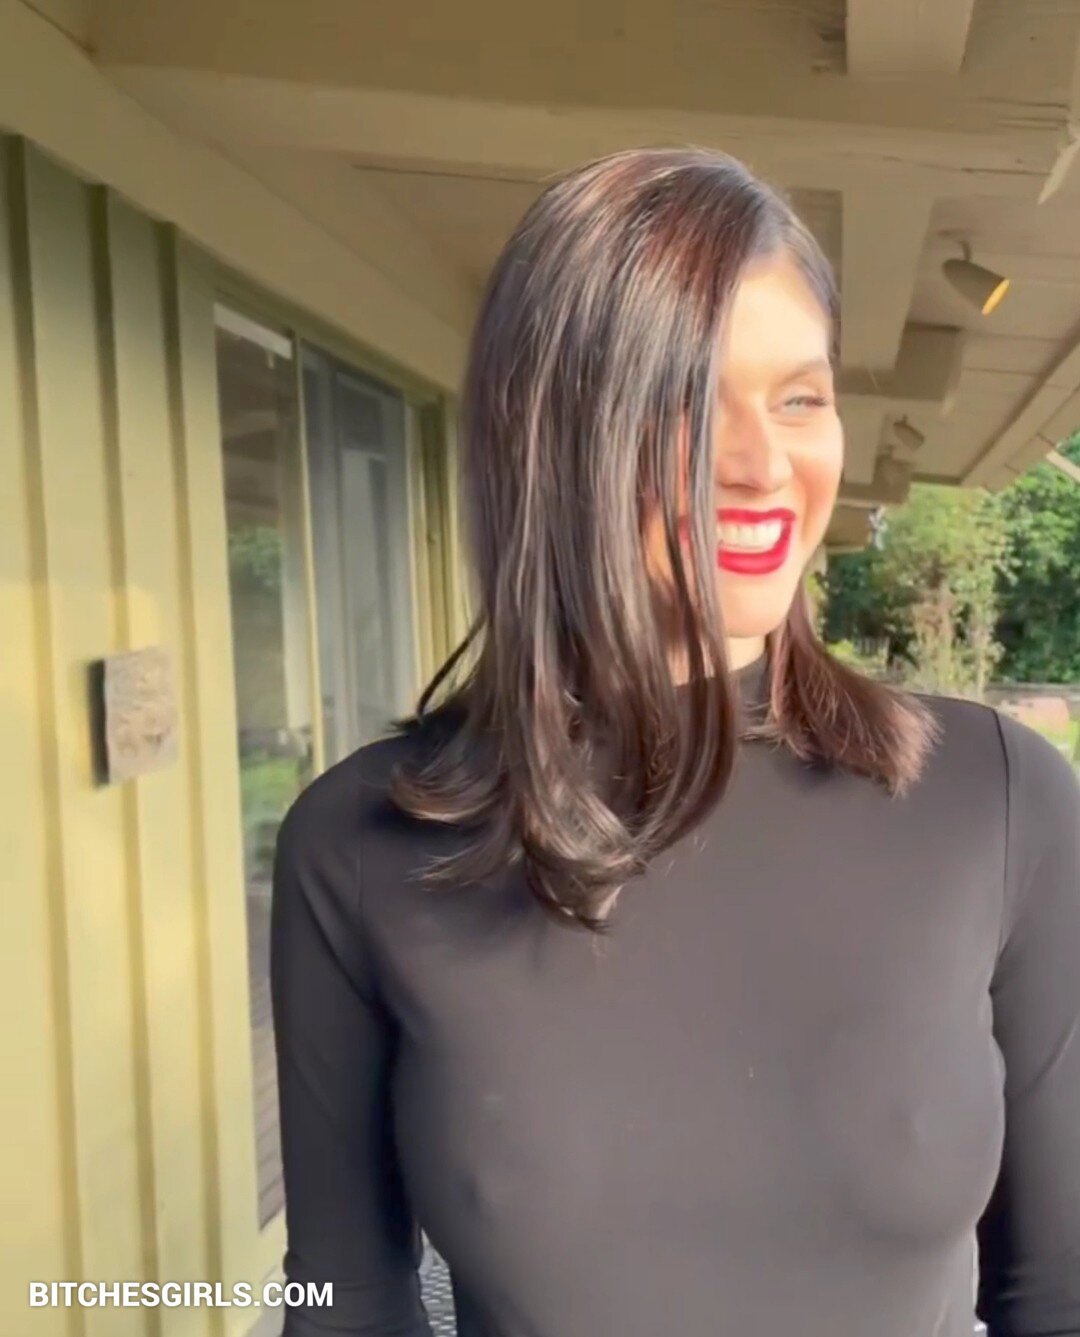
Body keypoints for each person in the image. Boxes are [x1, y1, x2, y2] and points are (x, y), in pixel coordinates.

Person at [269, 146, 1080, 1337]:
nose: (760, 464)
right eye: (684, 405)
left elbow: (1057, 1293)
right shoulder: (362, 845)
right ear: (551, 438)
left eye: (799, 397)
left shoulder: (996, 800)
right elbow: (343, 1306)